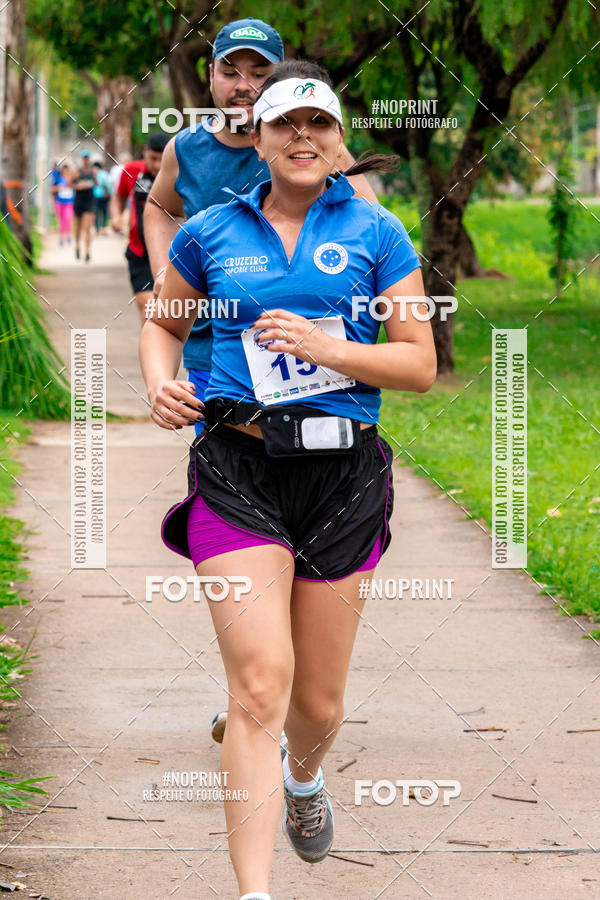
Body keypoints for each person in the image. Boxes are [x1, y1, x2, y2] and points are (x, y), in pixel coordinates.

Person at [140, 62, 436, 900]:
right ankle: (254, 891)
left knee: (318, 703)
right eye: (284, 125)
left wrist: (331, 348)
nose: (302, 139)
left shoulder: (379, 233)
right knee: (258, 683)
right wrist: (160, 379)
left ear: (339, 141)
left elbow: (417, 365)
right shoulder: (211, 230)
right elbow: (164, 325)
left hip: (343, 473)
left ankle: (304, 780)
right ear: (259, 139)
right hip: (236, 465)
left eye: (319, 125)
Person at [145, 18, 378, 441]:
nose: (244, 86)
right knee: (226, 462)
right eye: (230, 72)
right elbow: (159, 206)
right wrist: (164, 269)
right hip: (213, 342)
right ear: (211, 76)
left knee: (312, 460)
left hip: (309, 343)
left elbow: (371, 226)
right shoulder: (185, 149)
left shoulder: (316, 147)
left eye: (260, 74)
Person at [111, 133, 170, 325]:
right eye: (153, 158)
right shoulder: (131, 171)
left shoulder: (178, 173)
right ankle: (152, 354)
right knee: (148, 308)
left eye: (162, 159)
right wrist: (117, 216)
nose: (157, 165)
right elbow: (118, 196)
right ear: (145, 151)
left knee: (171, 312)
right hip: (139, 251)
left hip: (170, 253)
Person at [71, 150, 96, 262]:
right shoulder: (77, 171)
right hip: (79, 201)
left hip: (89, 202)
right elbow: (69, 184)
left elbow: (97, 183)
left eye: (87, 158)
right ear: (82, 159)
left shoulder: (93, 171)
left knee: (87, 228)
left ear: (89, 159)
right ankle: (77, 246)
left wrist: (92, 184)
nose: (86, 160)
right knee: (78, 227)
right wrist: (78, 186)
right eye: (84, 158)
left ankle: (87, 251)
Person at [51, 164, 74, 245]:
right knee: (61, 221)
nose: (66, 172)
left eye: (67, 170)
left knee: (67, 219)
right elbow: (52, 189)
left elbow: (76, 187)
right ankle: (61, 238)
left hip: (69, 202)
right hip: (59, 202)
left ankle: (68, 235)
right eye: (64, 171)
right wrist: (59, 187)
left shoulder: (72, 179)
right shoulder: (59, 179)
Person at [92, 161, 112, 234]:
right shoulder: (105, 173)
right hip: (104, 196)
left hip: (97, 196)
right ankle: (103, 228)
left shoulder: (96, 173)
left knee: (97, 213)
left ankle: (98, 229)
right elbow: (109, 184)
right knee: (104, 213)